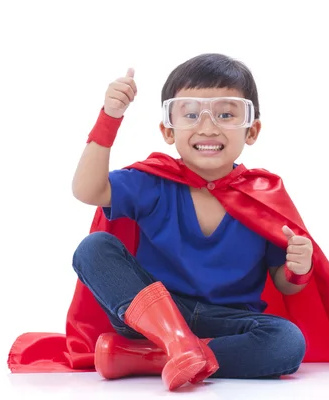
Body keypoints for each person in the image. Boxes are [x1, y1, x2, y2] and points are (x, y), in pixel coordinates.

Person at [70, 53, 313, 390]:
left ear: (252, 130)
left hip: (226, 320)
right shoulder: (154, 182)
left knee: (286, 342)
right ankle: (173, 342)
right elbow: (87, 190)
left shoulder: (263, 195)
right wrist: (110, 117)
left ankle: (152, 356)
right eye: (191, 114)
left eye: (227, 114)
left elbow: (283, 283)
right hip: (151, 313)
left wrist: (297, 268)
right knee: (94, 248)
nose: (208, 126)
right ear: (168, 131)